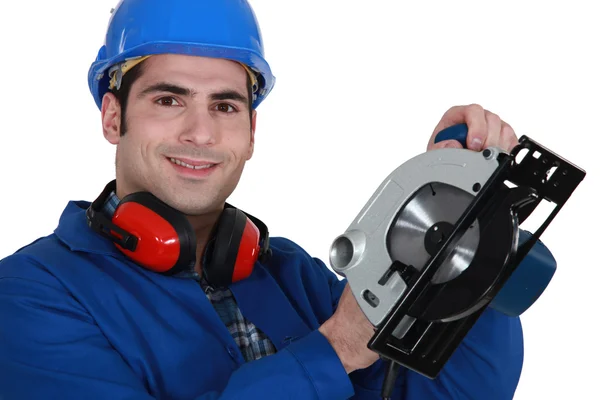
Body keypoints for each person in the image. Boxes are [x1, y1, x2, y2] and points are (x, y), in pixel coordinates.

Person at [0, 1, 525, 399]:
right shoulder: (29, 295)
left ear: (251, 132)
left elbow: (459, 393)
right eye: (168, 99)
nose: (201, 133)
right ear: (113, 117)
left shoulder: (291, 273)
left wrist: (472, 225)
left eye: (225, 106)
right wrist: (336, 349)